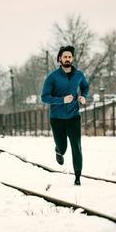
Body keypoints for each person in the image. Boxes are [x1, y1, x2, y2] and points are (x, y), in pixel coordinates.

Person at [41, 46, 90, 186]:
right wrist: (61, 100)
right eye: (65, 57)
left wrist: (83, 96)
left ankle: (77, 177)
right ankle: (58, 151)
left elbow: (85, 87)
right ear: (59, 59)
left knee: (77, 146)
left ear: (72, 58)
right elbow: (44, 97)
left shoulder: (79, 75)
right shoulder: (52, 77)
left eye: (69, 57)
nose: (67, 59)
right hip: (56, 118)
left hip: (74, 116)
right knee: (63, 147)